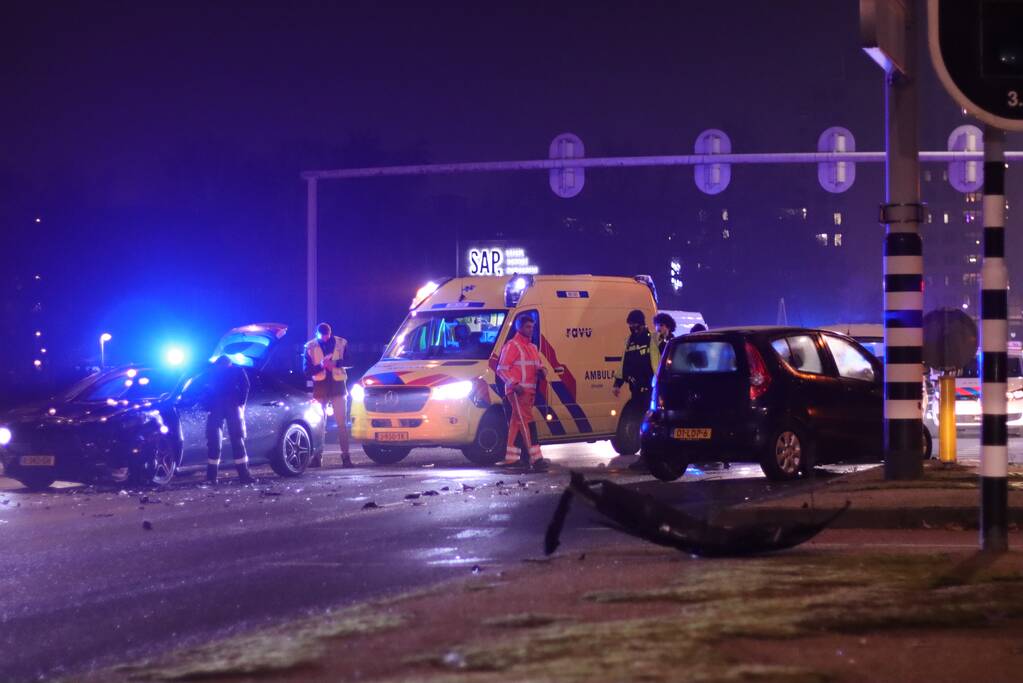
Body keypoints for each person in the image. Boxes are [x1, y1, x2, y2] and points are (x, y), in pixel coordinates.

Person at [496, 314, 548, 472]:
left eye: (532, 327)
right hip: (517, 392)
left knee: (516, 423)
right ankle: (536, 459)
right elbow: (501, 369)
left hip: (529, 392)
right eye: (527, 327)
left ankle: (512, 458)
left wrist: (542, 371)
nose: (531, 330)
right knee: (527, 423)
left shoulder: (532, 348)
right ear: (519, 327)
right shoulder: (512, 346)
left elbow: (539, 365)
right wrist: (514, 384)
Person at [613, 310, 661, 472]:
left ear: (641, 324)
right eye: (630, 325)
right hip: (636, 391)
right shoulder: (629, 341)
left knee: (649, 425)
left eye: (634, 324)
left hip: (650, 390)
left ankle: (649, 458)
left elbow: (658, 359)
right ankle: (645, 457)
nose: (632, 328)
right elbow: (623, 365)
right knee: (639, 424)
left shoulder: (652, 339)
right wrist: (617, 384)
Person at [304, 322, 352, 468]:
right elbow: (306, 370)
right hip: (321, 387)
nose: (325, 339)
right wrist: (321, 366)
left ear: (330, 333)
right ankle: (317, 458)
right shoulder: (310, 347)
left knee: (341, 424)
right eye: (322, 337)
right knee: (319, 425)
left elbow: (350, 361)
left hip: (338, 386)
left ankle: (346, 457)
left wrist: (335, 364)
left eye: (327, 336)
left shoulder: (341, 343)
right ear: (317, 335)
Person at [202, 355, 253, 485]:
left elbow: (204, 390)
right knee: (237, 439)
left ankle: (211, 477)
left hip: (216, 407)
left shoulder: (211, 372)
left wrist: (207, 406)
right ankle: (244, 475)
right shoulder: (237, 370)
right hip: (232, 406)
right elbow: (246, 386)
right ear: (229, 363)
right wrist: (241, 403)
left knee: (214, 441)